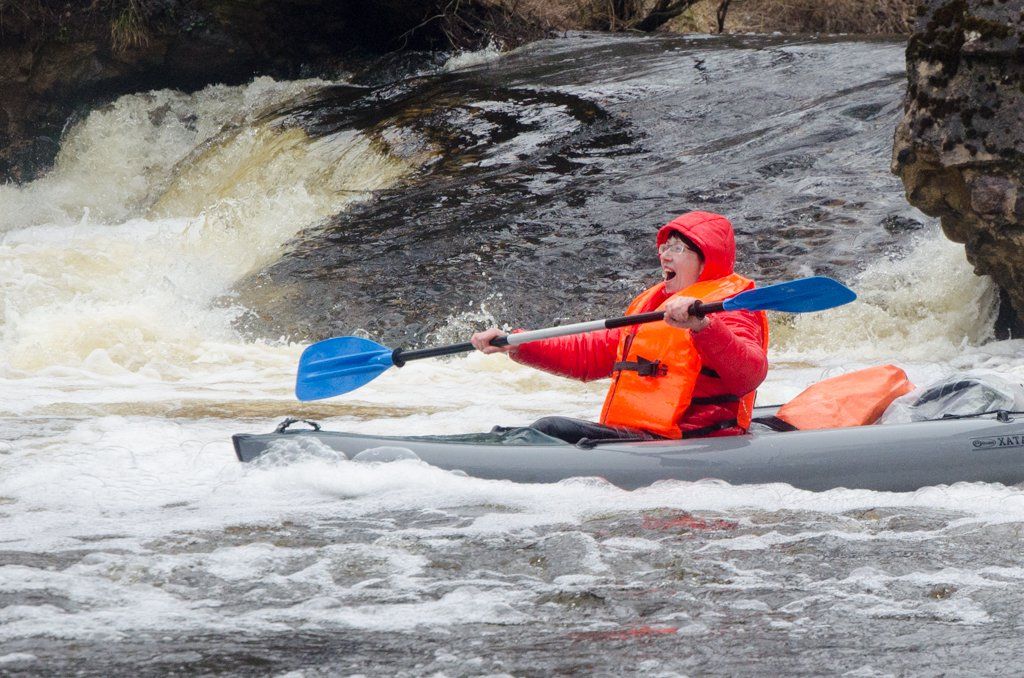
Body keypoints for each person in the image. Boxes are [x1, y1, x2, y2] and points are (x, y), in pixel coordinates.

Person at [470, 211, 769, 443]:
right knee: (526, 432)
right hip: (641, 433)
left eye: (677, 248)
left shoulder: (733, 308)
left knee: (550, 428)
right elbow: (590, 355)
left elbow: (749, 374)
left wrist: (704, 326)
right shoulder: (652, 305)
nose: (664, 255)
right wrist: (519, 343)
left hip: (693, 437)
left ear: (706, 260)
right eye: (665, 246)